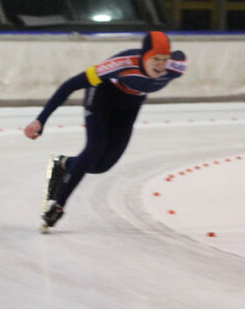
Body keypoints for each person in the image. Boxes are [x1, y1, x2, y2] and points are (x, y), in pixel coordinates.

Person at [23, 31, 186, 230]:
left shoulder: (176, 67)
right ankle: (58, 205)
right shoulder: (120, 64)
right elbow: (70, 85)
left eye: (165, 59)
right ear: (144, 56)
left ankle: (63, 164)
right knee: (95, 149)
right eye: (155, 59)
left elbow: (179, 55)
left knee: (101, 166)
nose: (161, 66)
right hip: (103, 96)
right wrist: (41, 120)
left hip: (130, 104)